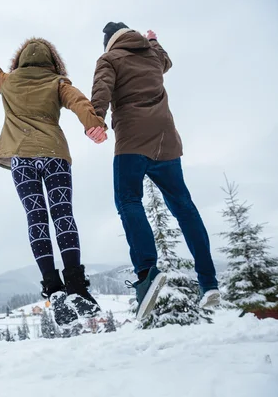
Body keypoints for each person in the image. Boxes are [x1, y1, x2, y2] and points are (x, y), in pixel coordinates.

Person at [0, 27, 107, 326]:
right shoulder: (57, 82)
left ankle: (54, 289)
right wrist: (93, 124)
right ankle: (77, 287)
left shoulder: (7, 82)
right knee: (63, 216)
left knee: (36, 219)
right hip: (54, 156)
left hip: (21, 159)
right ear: (53, 61)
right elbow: (78, 101)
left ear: (21, 61)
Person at [88, 22, 221, 321]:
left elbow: (102, 90)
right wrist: (154, 40)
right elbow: (166, 60)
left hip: (132, 141)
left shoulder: (109, 59)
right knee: (185, 208)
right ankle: (208, 282)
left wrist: (95, 119)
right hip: (166, 142)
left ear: (109, 42)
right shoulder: (152, 54)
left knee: (128, 200)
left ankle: (147, 272)